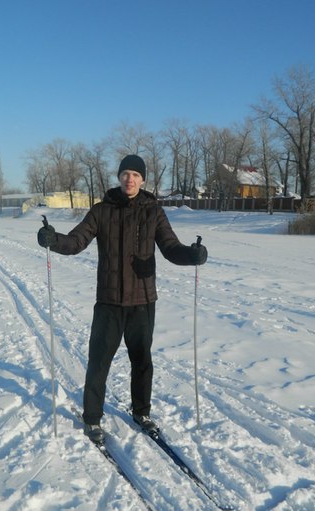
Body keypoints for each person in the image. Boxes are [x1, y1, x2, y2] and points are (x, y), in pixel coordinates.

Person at [37, 154, 207, 444]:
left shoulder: (153, 212)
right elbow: (77, 241)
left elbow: (170, 247)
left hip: (143, 301)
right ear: (119, 177)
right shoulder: (101, 210)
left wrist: (192, 255)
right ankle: (92, 417)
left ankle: (141, 412)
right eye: (126, 174)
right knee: (99, 361)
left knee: (142, 361)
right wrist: (54, 240)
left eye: (136, 175)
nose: (130, 179)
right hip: (109, 302)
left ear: (143, 180)